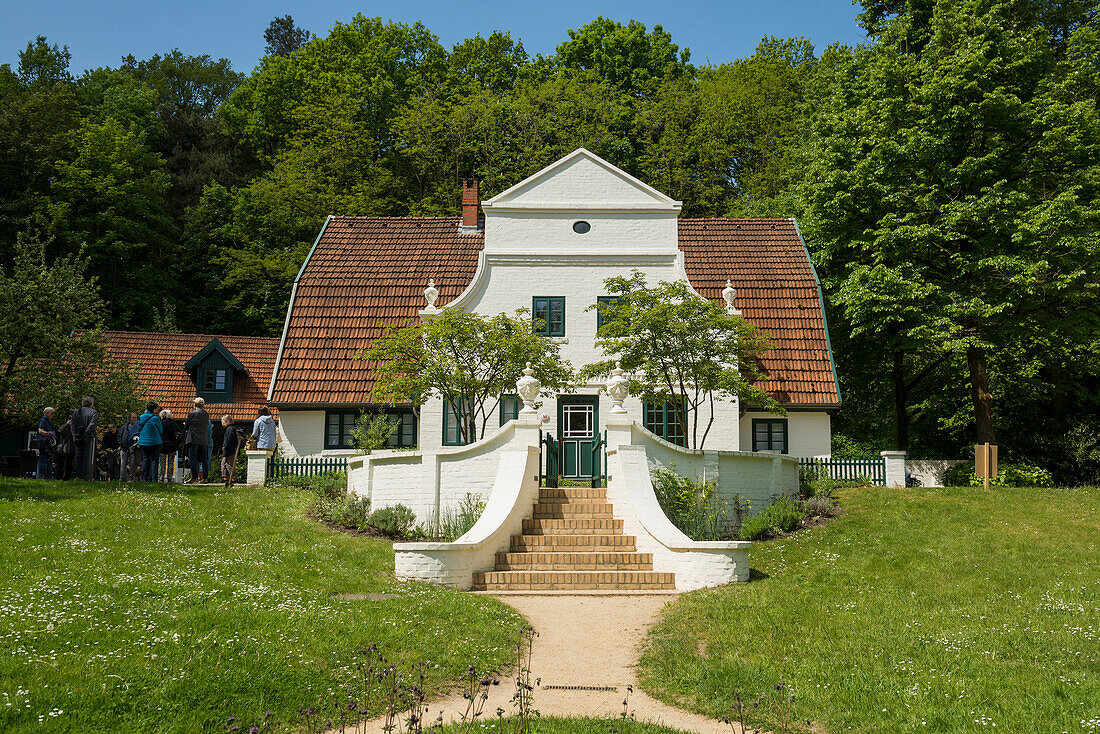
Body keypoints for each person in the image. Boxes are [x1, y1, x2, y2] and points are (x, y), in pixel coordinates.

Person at [70, 396, 98, 481]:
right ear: (91, 404)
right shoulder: (94, 412)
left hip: (78, 438)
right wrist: (85, 434)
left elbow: (72, 425)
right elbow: (92, 425)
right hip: (89, 438)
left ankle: (79, 475)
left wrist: (75, 435)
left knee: (79, 457)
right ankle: (88, 476)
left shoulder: (76, 412)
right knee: (89, 457)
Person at [136, 402, 163, 482]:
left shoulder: (141, 417)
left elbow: (139, 427)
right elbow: (161, 430)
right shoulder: (155, 418)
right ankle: (154, 479)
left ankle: (144, 478)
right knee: (155, 460)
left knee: (145, 459)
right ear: (154, 409)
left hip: (143, 441)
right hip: (155, 441)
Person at [186, 397, 211, 483]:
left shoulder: (192, 413)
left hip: (193, 438)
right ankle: (205, 477)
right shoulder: (206, 414)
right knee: (204, 459)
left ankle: (195, 477)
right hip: (204, 439)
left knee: (193, 458)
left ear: (195, 404)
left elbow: (187, 425)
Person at [220, 415, 244, 487]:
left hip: (230, 449)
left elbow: (228, 439)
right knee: (224, 463)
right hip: (232, 449)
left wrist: (225, 446)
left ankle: (232, 478)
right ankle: (225, 477)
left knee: (229, 464)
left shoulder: (230, 429)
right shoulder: (233, 428)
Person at [35, 407, 57, 479]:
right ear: (47, 413)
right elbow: (40, 431)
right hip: (44, 444)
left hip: (48, 444)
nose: (53, 415)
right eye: (52, 413)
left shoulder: (49, 421)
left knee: (49, 460)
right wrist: (48, 434)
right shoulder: (43, 420)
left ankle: (48, 477)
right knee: (43, 459)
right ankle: (40, 476)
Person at [160, 409, 181, 482]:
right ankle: (170, 478)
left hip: (161, 446)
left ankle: (161, 477)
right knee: (170, 463)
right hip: (172, 446)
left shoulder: (160, 424)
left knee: (162, 463)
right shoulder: (173, 424)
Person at [118, 413, 139, 480]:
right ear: (129, 418)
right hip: (124, 447)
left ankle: (131, 477)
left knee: (132, 464)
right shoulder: (124, 427)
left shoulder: (138, 428)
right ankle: (122, 478)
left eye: (135, 418)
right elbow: (119, 436)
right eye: (133, 417)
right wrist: (121, 443)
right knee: (123, 464)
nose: (134, 419)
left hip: (134, 448)